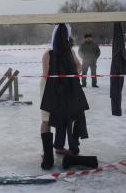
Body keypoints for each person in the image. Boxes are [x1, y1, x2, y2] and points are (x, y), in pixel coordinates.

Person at [40, 24, 89, 169]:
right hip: (49, 89)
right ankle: (47, 154)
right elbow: (46, 74)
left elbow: (79, 66)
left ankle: (59, 147)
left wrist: (70, 77)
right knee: (46, 119)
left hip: (65, 89)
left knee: (65, 117)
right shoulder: (48, 53)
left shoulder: (70, 52)